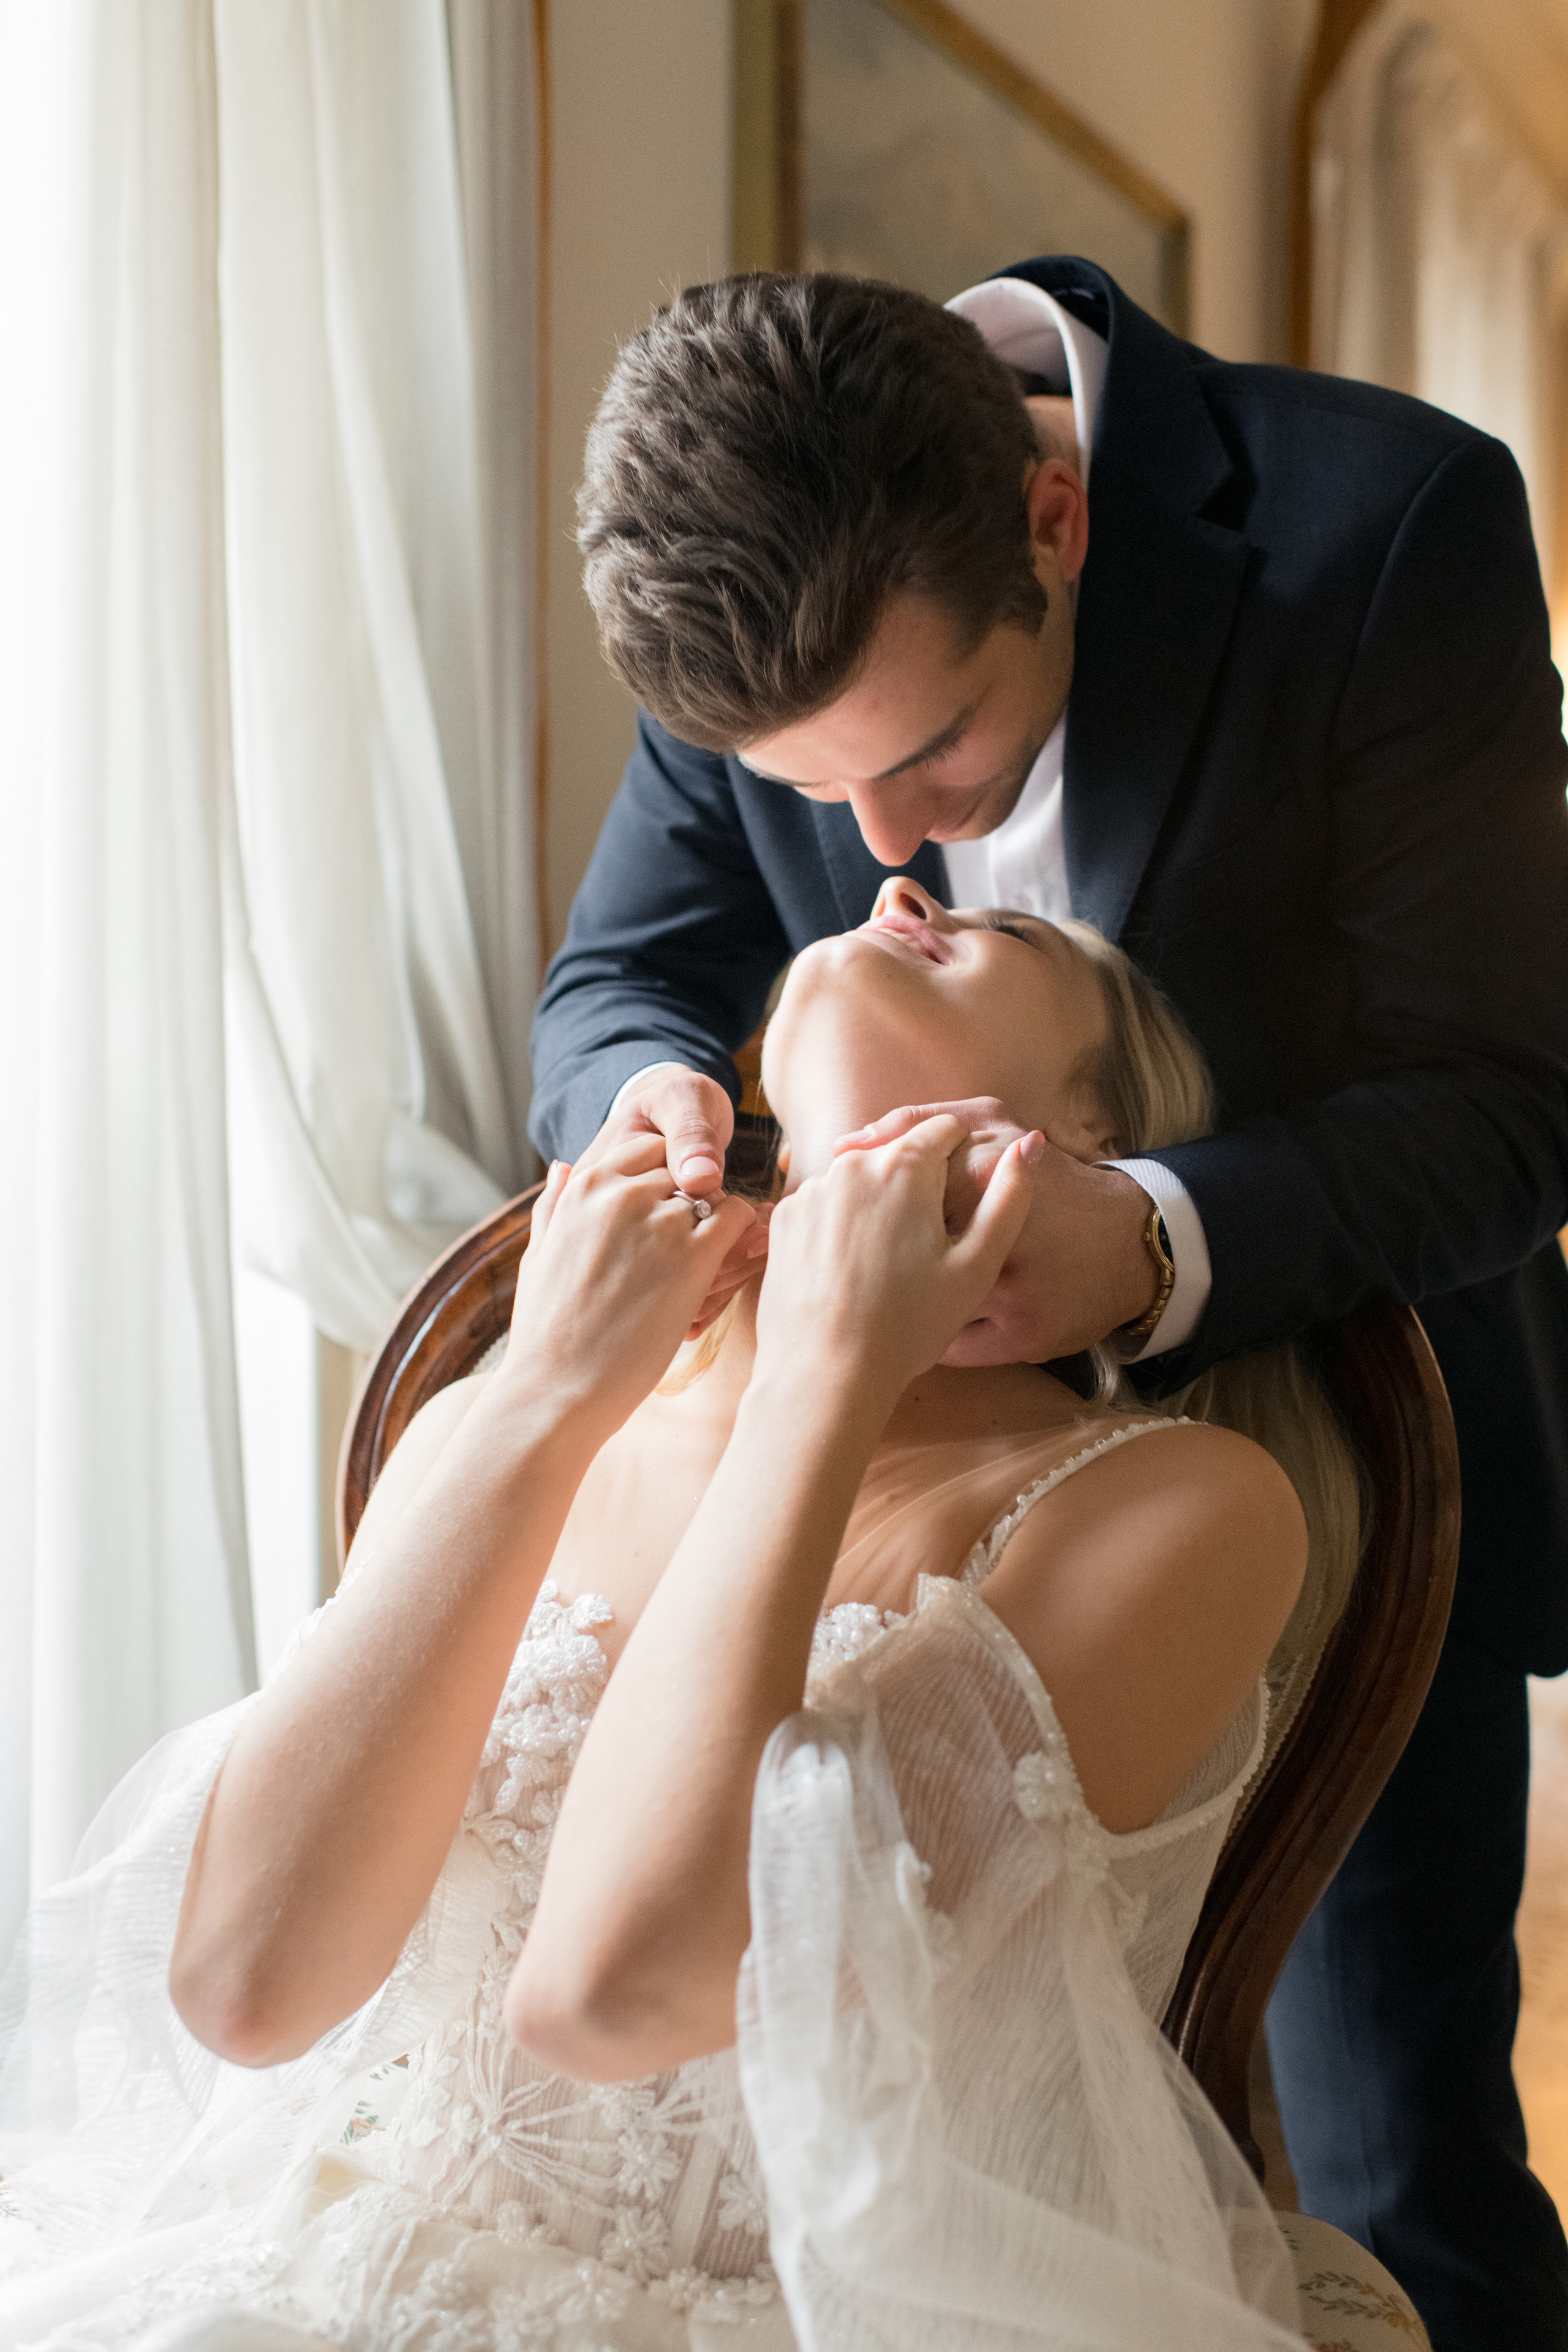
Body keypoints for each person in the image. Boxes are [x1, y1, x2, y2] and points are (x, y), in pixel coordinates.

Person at [530, 260, 1568, 2350]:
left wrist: (1163, 1235)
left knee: (1400, 2169)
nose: (878, 852)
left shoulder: (1385, 532)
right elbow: (615, 982)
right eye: (807, 788)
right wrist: (652, 1100)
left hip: (1340, 1486)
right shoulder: (757, 568)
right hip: (872, 1512)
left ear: (1056, 519)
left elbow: (1515, 1095)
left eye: (928, 754)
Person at [0, 898, 1382, 2350]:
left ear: (1085, 1149)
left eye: (995, 934)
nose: (897, 888)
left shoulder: (1174, 1512)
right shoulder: (519, 1411)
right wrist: (540, 1388)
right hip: (326, 2277)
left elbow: (612, 1992)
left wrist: (818, 1380)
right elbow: (245, 1985)